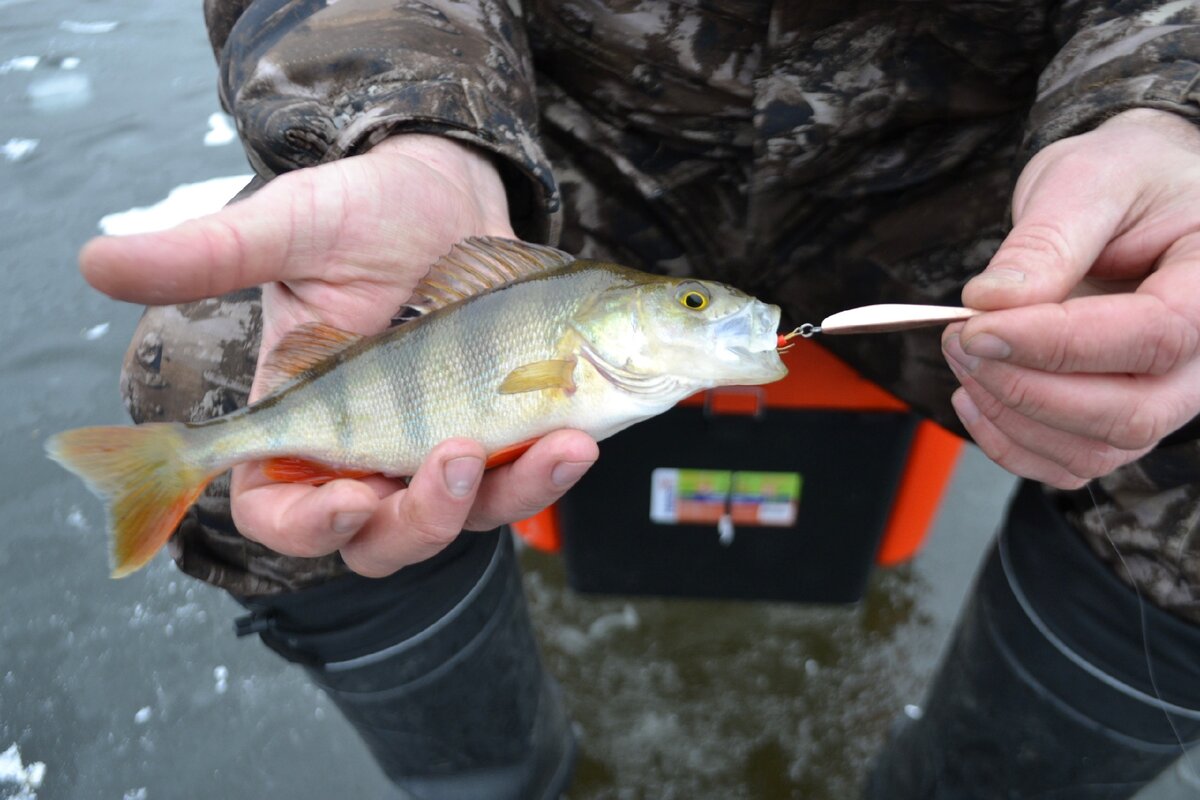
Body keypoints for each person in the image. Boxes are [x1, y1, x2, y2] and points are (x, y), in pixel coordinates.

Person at [80, 1, 1200, 797]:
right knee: (211, 362)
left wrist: (1166, 110)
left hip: (973, 175)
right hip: (556, 158)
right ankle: (499, 781)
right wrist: (408, 124)